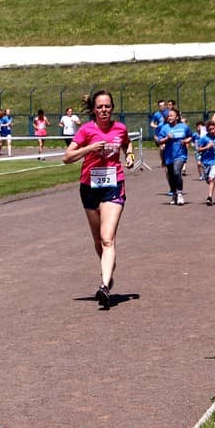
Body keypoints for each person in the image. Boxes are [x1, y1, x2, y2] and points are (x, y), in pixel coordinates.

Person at [63, 90, 135, 309]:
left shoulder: (120, 128)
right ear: (94, 110)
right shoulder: (86, 130)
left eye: (107, 106)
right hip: (89, 187)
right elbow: (67, 157)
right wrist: (89, 148)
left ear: (112, 108)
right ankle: (108, 268)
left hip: (114, 186)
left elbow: (127, 144)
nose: (104, 110)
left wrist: (129, 156)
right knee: (98, 241)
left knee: (107, 238)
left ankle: (104, 286)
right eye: (100, 107)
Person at [158, 109, 191, 205]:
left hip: (181, 154)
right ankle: (174, 194)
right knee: (171, 176)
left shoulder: (184, 127)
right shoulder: (165, 128)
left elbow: (190, 136)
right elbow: (159, 141)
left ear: (177, 117)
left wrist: (186, 141)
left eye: (171, 115)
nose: (169, 117)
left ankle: (179, 193)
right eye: (168, 116)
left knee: (177, 172)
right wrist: (166, 138)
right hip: (169, 156)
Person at [195, 120, 215, 206]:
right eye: (210, 129)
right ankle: (210, 182)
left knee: (211, 178)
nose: (212, 131)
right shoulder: (203, 138)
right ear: (207, 130)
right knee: (208, 180)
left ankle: (209, 197)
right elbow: (198, 149)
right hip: (205, 161)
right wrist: (207, 147)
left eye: (213, 129)